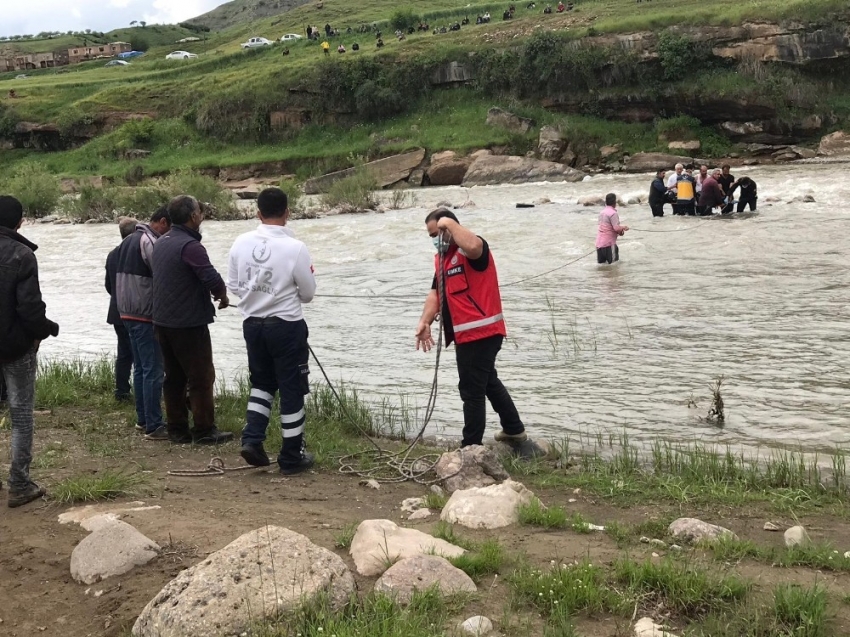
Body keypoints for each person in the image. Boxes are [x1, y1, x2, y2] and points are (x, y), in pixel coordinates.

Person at [415, 209, 527, 449]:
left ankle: (470, 448)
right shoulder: (442, 259)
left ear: (450, 228)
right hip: (466, 336)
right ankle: (513, 429)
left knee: (471, 390)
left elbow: (474, 245)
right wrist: (424, 321)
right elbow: (435, 293)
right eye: (431, 235)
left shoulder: (471, 250)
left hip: (483, 334)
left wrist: (451, 225)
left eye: (438, 232)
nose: (435, 239)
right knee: (487, 382)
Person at [227, 188, 317, 474]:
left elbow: (234, 286)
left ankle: (252, 439)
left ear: (257, 213)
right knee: (291, 388)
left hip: (252, 324)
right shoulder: (295, 248)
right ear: (288, 213)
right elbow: (308, 293)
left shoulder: (240, 243)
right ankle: (292, 455)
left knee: (262, 384)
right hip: (286, 325)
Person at [151, 196, 233, 445]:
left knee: (173, 377)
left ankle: (177, 429)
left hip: (162, 321)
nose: (202, 215)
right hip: (187, 323)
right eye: (199, 211)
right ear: (193, 217)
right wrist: (222, 295)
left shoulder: (161, 242)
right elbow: (211, 278)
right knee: (201, 376)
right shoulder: (190, 246)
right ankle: (204, 430)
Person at [0, 195, 59, 507]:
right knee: (21, 416)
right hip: (15, 347)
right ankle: (20, 484)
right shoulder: (22, 254)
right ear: (20, 222)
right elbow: (31, 308)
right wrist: (45, 329)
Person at [116, 208, 172, 439]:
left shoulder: (128, 240)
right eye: (169, 227)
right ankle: (154, 424)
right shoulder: (150, 241)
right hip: (144, 313)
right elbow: (162, 277)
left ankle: (143, 419)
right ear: (162, 222)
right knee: (153, 369)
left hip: (126, 312)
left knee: (140, 368)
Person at [104, 216, 138, 403]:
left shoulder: (112, 254)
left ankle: (122, 390)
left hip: (117, 311)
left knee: (124, 353)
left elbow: (108, 285)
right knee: (143, 353)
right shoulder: (138, 251)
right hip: (137, 311)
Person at [596, 194, 629, 264]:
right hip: (609, 244)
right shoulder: (613, 213)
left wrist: (620, 231)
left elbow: (604, 227)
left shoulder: (601, 212)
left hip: (599, 244)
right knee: (614, 266)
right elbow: (616, 228)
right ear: (615, 202)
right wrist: (624, 228)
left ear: (606, 202)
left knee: (602, 267)